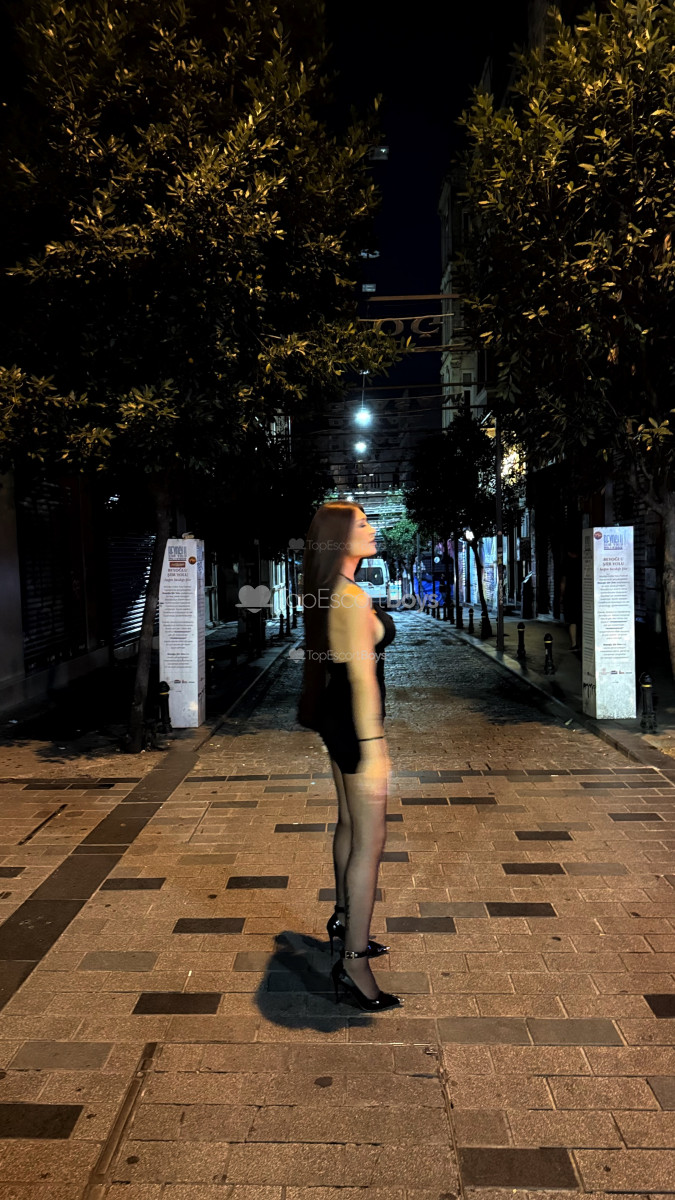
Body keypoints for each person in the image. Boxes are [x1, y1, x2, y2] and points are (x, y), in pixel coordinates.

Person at [298, 501, 402, 1013]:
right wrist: (375, 748)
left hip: (334, 720)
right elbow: (363, 680)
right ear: (340, 538)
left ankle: (343, 919)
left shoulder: (329, 590)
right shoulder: (351, 598)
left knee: (348, 824)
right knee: (370, 841)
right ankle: (354, 961)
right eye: (362, 524)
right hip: (356, 729)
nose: (372, 528)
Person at [560, 546, 582, 651]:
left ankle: (574, 644)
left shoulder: (566, 563)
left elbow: (563, 582)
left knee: (572, 620)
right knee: (581, 619)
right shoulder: (582, 562)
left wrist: (561, 596)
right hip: (582, 594)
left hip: (570, 595)